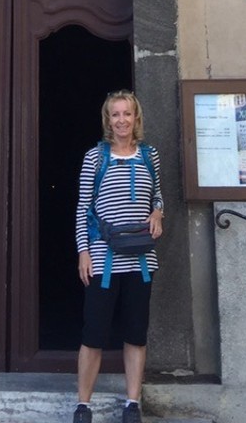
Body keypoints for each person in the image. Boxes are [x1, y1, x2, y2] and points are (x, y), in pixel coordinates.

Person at [73, 90, 164, 423]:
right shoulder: (94, 158)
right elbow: (84, 209)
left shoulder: (149, 155)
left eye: (127, 114)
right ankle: (83, 405)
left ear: (136, 118)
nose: (122, 120)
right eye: (115, 114)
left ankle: (132, 403)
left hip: (140, 260)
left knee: (135, 334)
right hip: (103, 259)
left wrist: (158, 212)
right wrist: (83, 251)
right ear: (107, 120)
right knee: (93, 334)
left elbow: (158, 194)